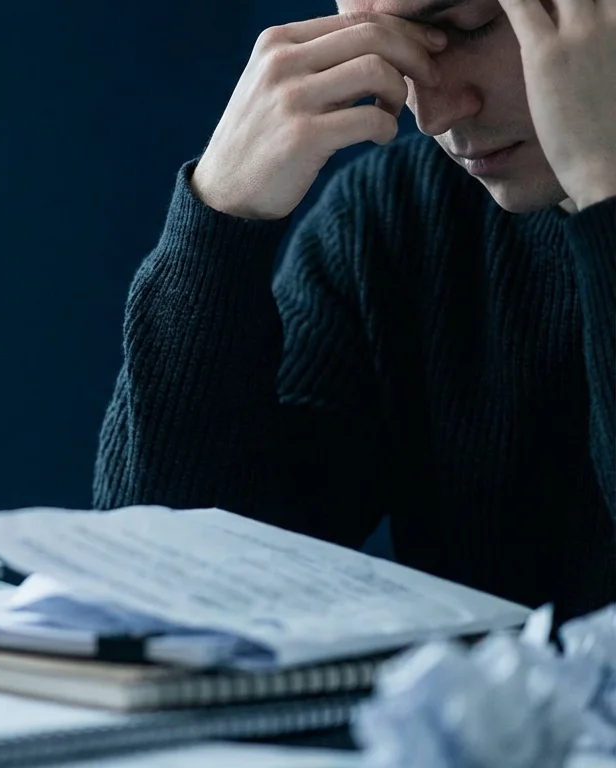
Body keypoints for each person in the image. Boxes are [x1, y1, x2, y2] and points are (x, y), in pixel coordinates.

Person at [93, 0, 616, 623]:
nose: (433, 114)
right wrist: (219, 222)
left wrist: (601, 185)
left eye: (472, 24)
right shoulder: (392, 218)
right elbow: (159, 583)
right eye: (387, 44)